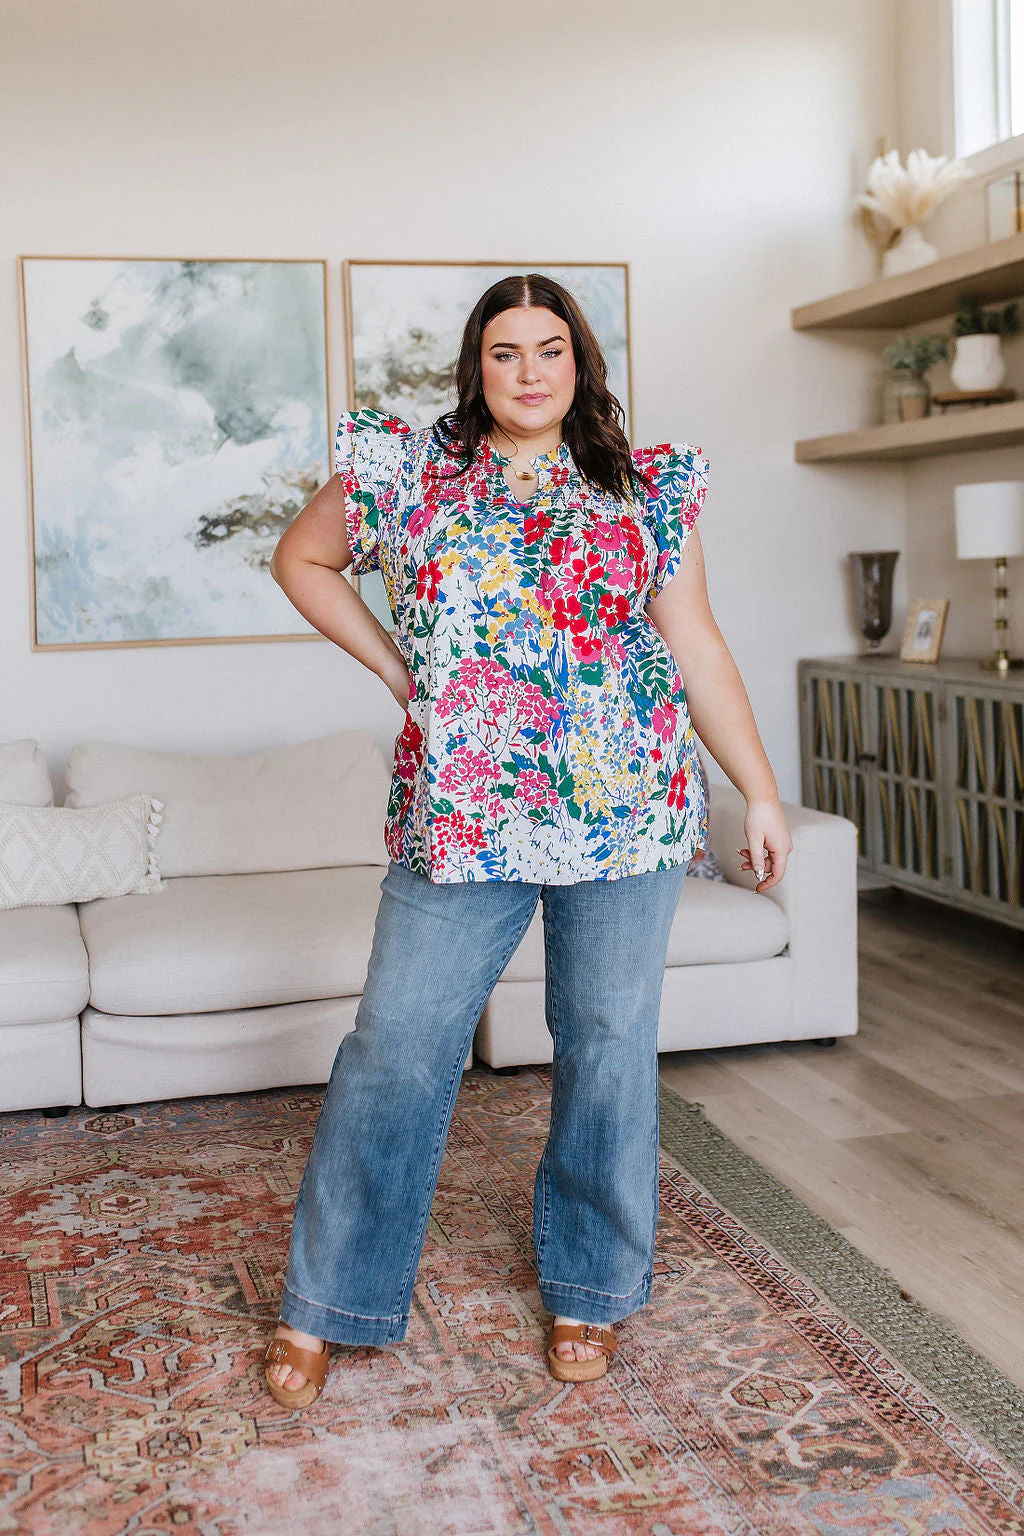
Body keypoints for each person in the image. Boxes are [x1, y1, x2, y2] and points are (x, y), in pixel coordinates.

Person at [262, 273, 793, 1406]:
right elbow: (299, 560)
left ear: (579, 362)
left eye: (550, 349)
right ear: (478, 367)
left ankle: (590, 1288)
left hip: (627, 805)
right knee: (396, 1044)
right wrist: (402, 672)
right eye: (505, 352)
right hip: (462, 810)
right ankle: (329, 1300)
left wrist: (758, 789)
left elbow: (697, 645)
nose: (530, 371)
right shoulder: (408, 474)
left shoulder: (642, 489)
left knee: (607, 1044)